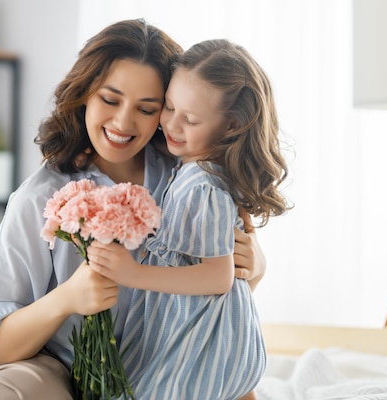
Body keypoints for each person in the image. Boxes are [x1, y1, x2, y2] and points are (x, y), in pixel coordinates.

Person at [0, 20, 266, 400]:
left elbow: (218, 296)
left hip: (161, 368)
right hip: (57, 369)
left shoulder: (189, 181)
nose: (123, 122)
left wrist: (255, 267)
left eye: (147, 109)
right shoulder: (39, 197)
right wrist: (66, 299)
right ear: (84, 94)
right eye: (110, 101)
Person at [87, 38, 289, 400]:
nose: (172, 125)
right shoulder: (191, 169)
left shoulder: (203, 185)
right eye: (168, 107)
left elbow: (219, 275)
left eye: (190, 119)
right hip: (199, 321)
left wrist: (132, 274)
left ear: (230, 126)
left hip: (198, 326)